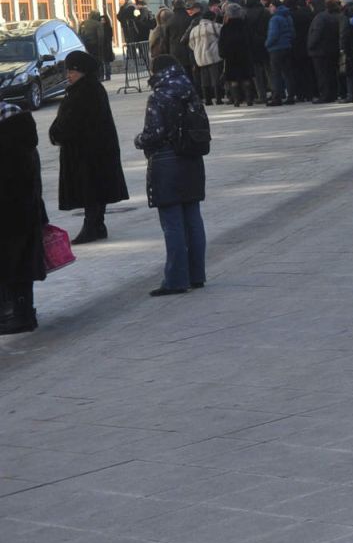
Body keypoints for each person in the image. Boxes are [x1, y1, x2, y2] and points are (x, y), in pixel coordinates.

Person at [134, 56, 209, 297]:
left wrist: (139, 140)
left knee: (173, 223)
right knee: (193, 219)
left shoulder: (160, 96)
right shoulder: (190, 90)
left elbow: (154, 133)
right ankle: (197, 274)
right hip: (192, 159)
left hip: (167, 162)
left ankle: (176, 279)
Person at [49, 51, 127, 245]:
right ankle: (96, 225)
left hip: (88, 152)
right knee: (95, 188)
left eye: (73, 71)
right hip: (93, 150)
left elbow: (72, 122)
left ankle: (92, 226)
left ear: (83, 71)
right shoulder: (89, 88)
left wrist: (56, 133)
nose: (69, 75)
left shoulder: (84, 92)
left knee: (90, 188)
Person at [0, 102, 49, 334]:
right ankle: (22, 312)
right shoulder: (23, 138)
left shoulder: (9, 144)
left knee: (14, 264)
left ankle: (20, 315)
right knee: (21, 264)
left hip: (11, 214)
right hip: (25, 212)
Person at [218, 3, 256, 107]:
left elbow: (221, 43)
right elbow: (251, 40)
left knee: (233, 79)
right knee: (246, 77)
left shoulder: (225, 28)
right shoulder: (245, 26)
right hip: (245, 55)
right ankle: (249, 99)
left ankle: (236, 100)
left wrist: (222, 54)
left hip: (230, 56)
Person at [308, 0, 342, 105]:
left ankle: (325, 95)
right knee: (331, 73)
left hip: (320, 50)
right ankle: (332, 93)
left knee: (322, 74)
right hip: (332, 49)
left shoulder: (320, 17)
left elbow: (316, 34)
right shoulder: (334, 16)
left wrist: (310, 45)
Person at [188, 3, 223, 104]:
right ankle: (218, 98)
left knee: (204, 79)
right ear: (213, 18)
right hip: (213, 56)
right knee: (215, 78)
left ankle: (207, 100)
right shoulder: (215, 26)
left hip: (200, 57)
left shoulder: (194, 30)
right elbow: (222, 38)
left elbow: (191, 44)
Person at [264, 0, 295, 105]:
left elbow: (273, 34)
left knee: (276, 74)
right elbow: (292, 32)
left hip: (276, 48)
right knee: (287, 73)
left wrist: (267, 44)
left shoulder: (275, 19)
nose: (269, 8)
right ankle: (291, 96)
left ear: (275, 7)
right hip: (287, 46)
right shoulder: (287, 16)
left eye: (271, 6)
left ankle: (277, 97)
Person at [78, 8, 114, 80]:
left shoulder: (83, 23)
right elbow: (100, 36)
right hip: (95, 45)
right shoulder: (98, 24)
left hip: (85, 45)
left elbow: (79, 34)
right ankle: (100, 76)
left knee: (88, 61)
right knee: (98, 61)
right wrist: (100, 47)